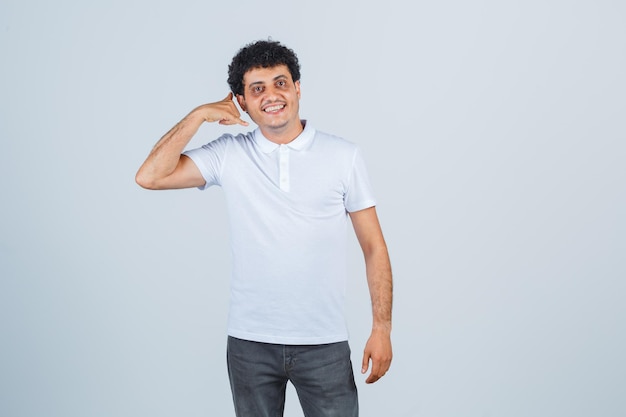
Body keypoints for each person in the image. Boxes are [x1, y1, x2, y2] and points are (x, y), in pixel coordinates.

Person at [135, 39, 392, 417]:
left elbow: (374, 246)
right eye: (257, 89)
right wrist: (199, 115)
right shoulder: (228, 154)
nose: (271, 95)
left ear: (298, 88)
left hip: (323, 342)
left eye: (280, 83)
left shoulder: (343, 156)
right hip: (250, 344)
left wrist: (382, 328)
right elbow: (150, 177)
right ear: (241, 100)